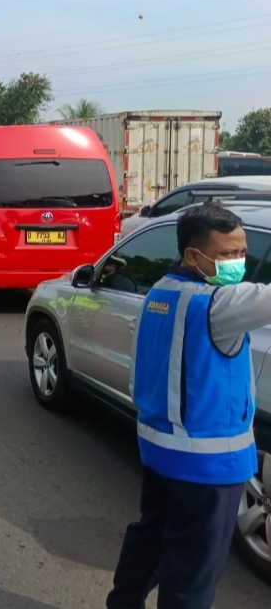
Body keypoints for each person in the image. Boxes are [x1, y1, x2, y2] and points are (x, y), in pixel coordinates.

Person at [106, 202, 263, 609]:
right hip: (210, 467)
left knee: (151, 539)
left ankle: (122, 603)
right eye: (228, 254)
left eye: (243, 252)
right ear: (193, 255)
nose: (239, 262)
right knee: (192, 573)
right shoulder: (218, 306)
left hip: (160, 451)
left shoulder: (162, 291)